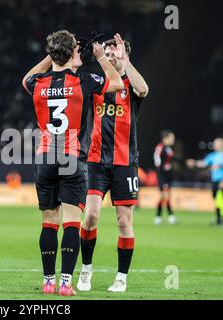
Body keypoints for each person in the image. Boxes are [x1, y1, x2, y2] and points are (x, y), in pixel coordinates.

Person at [22, 30, 123, 296]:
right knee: (71, 223)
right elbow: (118, 84)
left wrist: (54, 52)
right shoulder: (84, 80)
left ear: (52, 53)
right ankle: (66, 282)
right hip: (72, 157)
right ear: (72, 53)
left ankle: (47, 281)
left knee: (48, 221)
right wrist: (101, 57)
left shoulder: (39, 83)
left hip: (45, 157)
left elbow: (26, 79)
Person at [78, 34, 149, 293]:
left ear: (123, 55)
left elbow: (144, 90)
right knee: (91, 216)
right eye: (105, 54)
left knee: (123, 221)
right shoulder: (97, 84)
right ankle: (86, 270)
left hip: (125, 162)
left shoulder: (131, 84)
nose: (108, 58)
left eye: (113, 54)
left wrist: (126, 62)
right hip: (96, 160)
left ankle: (121, 277)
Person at [186, 137, 223, 226]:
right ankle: (218, 219)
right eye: (214, 144)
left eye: (216, 143)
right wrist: (194, 163)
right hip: (215, 181)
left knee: (220, 199)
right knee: (216, 200)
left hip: (221, 181)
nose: (214, 145)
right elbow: (204, 163)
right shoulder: (212, 155)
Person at [154, 130, 177, 225]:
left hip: (168, 176)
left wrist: (186, 162)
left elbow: (175, 159)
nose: (173, 140)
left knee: (166, 196)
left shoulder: (168, 149)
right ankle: (164, 216)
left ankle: (161, 217)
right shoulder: (160, 148)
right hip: (162, 176)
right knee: (164, 196)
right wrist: (161, 179)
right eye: (171, 138)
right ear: (165, 138)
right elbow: (158, 164)